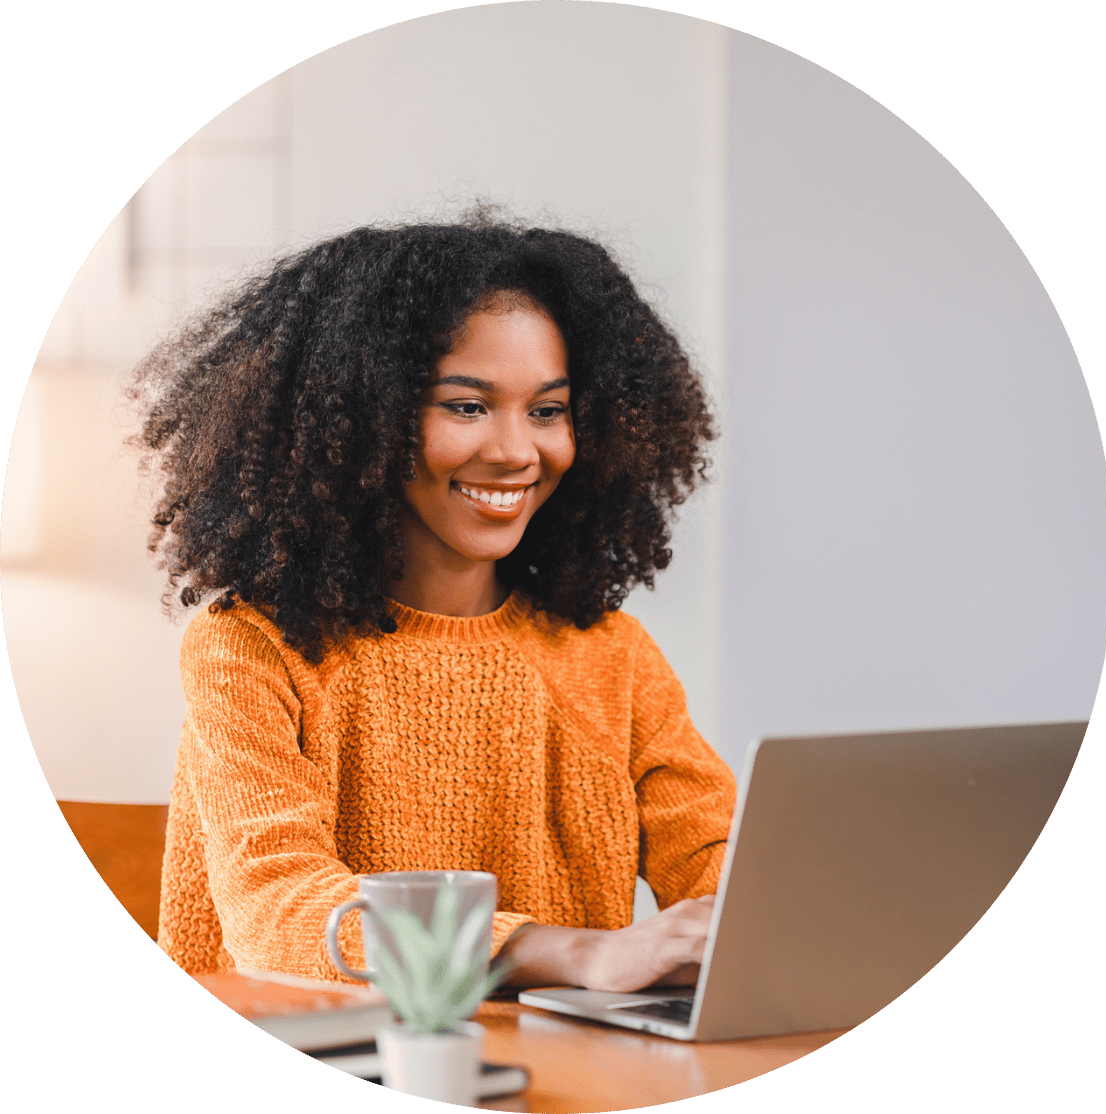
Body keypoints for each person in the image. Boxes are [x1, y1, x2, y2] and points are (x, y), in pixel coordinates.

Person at [136, 211, 735, 993]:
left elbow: (719, 863)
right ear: (358, 420)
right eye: (466, 406)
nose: (516, 451)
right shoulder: (250, 646)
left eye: (547, 410)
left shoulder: (611, 654)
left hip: (551, 1060)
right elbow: (280, 911)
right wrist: (579, 953)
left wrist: (771, 915)